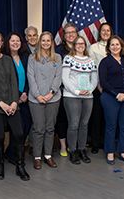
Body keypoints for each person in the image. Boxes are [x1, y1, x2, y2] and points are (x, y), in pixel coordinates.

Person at [0, 31, 30, 181]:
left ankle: (20, 166)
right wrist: (1, 104)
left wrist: (15, 102)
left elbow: (13, 82)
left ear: (2, 43)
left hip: (12, 103)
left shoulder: (8, 60)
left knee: (19, 134)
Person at [27, 32, 62, 170]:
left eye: (48, 40)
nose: (46, 43)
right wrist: (38, 95)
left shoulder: (57, 58)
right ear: (39, 42)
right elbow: (31, 77)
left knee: (50, 128)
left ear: (52, 42)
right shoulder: (32, 57)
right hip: (36, 100)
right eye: (43, 40)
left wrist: (51, 93)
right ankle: (37, 157)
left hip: (53, 98)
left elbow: (58, 77)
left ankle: (48, 155)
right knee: (39, 128)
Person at [99, 36, 124, 165]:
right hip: (110, 97)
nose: (115, 47)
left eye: (117, 44)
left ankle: (123, 152)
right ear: (108, 47)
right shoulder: (105, 62)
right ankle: (110, 152)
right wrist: (116, 94)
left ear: (121, 46)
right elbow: (103, 82)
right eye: (112, 45)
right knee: (111, 125)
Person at [62, 36, 98, 164]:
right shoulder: (68, 59)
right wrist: (77, 91)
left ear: (85, 45)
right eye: (77, 43)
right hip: (72, 96)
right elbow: (65, 79)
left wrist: (90, 90)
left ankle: (82, 149)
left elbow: (94, 78)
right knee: (74, 124)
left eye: (82, 43)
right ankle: (72, 150)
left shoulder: (90, 60)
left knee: (84, 124)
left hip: (88, 97)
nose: (80, 45)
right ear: (74, 45)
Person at [2, 32, 32, 164]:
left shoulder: (25, 57)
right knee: (17, 129)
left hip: (25, 97)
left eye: (18, 41)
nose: (15, 43)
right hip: (11, 99)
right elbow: (5, 81)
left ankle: (11, 152)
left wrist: (25, 92)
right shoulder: (4, 58)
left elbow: (29, 77)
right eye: (12, 41)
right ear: (8, 43)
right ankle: (14, 155)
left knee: (27, 125)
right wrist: (18, 95)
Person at [88, 22, 113, 154]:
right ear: (99, 32)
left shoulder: (115, 46)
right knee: (96, 115)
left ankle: (106, 142)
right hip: (98, 87)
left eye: (108, 30)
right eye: (103, 30)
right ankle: (95, 143)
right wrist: (98, 85)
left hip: (112, 87)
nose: (105, 33)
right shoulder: (93, 48)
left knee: (109, 116)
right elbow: (92, 68)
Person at [55, 23, 78, 157]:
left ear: (76, 34)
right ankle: (63, 145)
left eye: (73, 32)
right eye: (67, 33)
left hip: (79, 93)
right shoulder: (58, 51)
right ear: (64, 36)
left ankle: (73, 145)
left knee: (75, 120)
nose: (70, 35)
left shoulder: (81, 48)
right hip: (63, 91)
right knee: (63, 119)